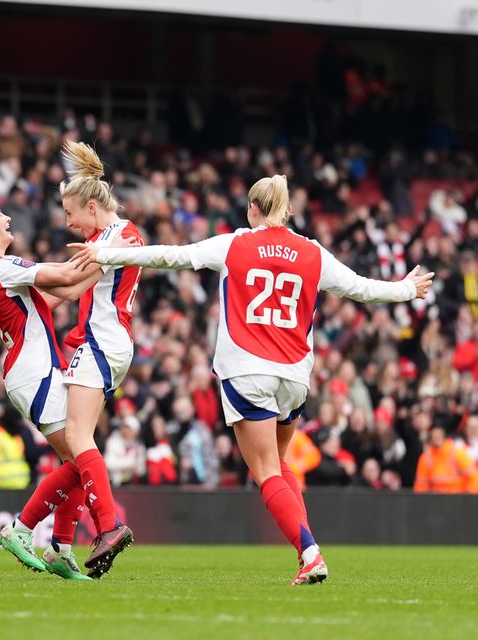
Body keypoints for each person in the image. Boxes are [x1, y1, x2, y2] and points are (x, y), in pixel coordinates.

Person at [72, 174, 433, 585]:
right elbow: (361, 289)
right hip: (295, 376)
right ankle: (308, 549)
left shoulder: (234, 243)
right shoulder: (312, 252)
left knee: (264, 472)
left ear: (253, 209)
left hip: (248, 371)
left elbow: (168, 256)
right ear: (289, 210)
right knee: (278, 465)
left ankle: (310, 552)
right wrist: (406, 289)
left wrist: (105, 253)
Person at [0, 199, 103, 580]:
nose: (8, 217)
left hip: (38, 371)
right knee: (83, 459)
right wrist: (110, 249)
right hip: (34, 374)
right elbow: (65, 276)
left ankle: (61, 548)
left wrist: (113, 260)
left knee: (78, 463)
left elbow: (61, 292)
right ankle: (22, 528)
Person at [59, 141, 144, 578]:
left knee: (76, 437)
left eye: (70, 212)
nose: (67, 222)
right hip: (102, 342)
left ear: (93, 207)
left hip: (102, 341)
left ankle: (107, 527)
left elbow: (71, 289)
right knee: (75, 440)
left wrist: (12, 276)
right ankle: (63, 535)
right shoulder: (104, 238)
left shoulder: (120, 235)